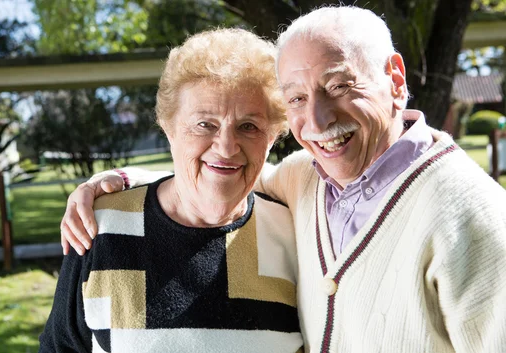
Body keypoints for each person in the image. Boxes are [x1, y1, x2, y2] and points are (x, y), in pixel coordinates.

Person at [59, 5, 506, 353]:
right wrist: (116, 183)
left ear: (394, 78)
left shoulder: (473, 214)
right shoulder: (306, 181)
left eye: (339, 86)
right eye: (298, 97)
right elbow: (221, 175)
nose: (318, 119)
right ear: (168, 128)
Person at [39, 28, 305, 353]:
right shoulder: (100, 228)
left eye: (248, 126)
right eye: (205, 124)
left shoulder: (294, 234)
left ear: (274, 135)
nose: (226, 147)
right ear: (168, 128)